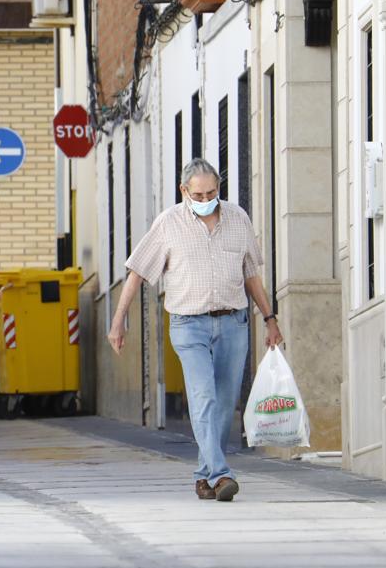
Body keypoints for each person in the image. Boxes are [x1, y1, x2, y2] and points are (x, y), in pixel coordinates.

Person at [108, 158, 282, 502]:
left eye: (212, 192)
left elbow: (251, 275)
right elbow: (138, 272)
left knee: (224, 403)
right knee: (204, 396)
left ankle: (204, 476)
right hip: (189, 325)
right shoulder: (168, 223)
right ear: (184, 191)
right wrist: (118, 321)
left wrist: (270, 318)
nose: (206, 199)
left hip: (234, 321)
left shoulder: (238, 218)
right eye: (199, 193)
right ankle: (221, 474)